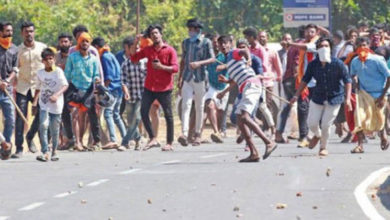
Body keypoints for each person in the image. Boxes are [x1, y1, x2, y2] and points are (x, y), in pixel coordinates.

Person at [290, 37, 352, 156]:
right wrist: (296, 95)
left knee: (325, 124)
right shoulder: (313, 65)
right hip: (318, 97)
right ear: (317, 49)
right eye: (321, 46)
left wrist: (348, 99)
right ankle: (317, 135)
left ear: (330, 48)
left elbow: (347, 81)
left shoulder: (338, 64)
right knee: (312, 123)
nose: (324, 48)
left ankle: (323, 147)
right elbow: (305, 80)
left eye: (326, 46)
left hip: (335, 98)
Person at [217, 47, 277, 162]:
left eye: (225, 43)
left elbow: (244, 51)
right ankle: (254, 153)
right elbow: (237, 79)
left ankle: (269, 142)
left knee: (244, 116)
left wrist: (248, 58)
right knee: (240, 119)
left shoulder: (232, 53)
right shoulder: (230, 63)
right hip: (246, 87)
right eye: (221, 44)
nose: (223, 46)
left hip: (251, 85)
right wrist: (226, 81)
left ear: (230, 44)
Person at [129, 24, 178, 151]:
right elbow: (133, 58)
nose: (155, 35)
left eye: (156, 33)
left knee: (168, 115)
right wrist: (135, 42)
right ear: (150, 37)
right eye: (152, 34)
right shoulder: (148, 49)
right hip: (149, 87)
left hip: (165, 88)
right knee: (143, 112)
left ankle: (169, 142)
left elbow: (175, 68)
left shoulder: (169, 50)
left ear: (161, 34)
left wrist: (162, 67)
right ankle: (153, 138)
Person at [177, 18, 215, 146]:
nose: (190, 32)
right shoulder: (186, 43)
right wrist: (180, 78)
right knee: (186, 105)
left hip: (200, 77)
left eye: (191, 30)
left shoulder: (206, 42)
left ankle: (198, 133)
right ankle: (184, 133)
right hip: (187, 77)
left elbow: (212, 59)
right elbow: (183, 60)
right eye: (189, 30)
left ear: (198, 30)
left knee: (199, 106)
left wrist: (199, 63)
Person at [349, 37, 390, 153]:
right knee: (359, 118)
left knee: (379, 119)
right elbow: (353, 74)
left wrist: (383, 96)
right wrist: (355, 81)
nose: (362, 48)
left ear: (368, 46)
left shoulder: (377, 60)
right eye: (359, 45)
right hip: (363, 93)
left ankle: (383, 136)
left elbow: (388, 76)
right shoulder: (355, 61)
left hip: (379, 94)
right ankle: (360, 145)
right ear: (356, 48)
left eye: (364, 45)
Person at [13, 21, 47, 159]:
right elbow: (14, 69)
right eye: (26, 32)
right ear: (22, 33)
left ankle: (30, 136)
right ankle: (19, 148)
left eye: (31, 31)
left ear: (34, 32)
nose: (29, 34)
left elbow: (49, 65)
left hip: (39, 88)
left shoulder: (42, 48)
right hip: (22, 87)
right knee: (20, 118)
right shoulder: (17, 50)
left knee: (42, 114)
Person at [64, 32, 102, 151]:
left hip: (88, 90)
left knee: (90, 116)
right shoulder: (73, 57)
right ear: (78, 43)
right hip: (75, 88)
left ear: (90, 43)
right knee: (74, 114)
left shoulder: (94, 59)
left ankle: (96, 141)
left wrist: (97, 80)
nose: (84, 43)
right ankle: (77, 142)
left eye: (87, 41)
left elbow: (96, 74)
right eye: (82, 41)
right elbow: (67, 74)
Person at [33, 48, 69, 162]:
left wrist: (56, 95)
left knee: (55, 128)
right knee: (43, 125)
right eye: (47, 59)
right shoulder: (40, 73)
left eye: (51, 59)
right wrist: (34, 102)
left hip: (57, 105)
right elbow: (38, 88)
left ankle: (54, 151)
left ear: (54, 59)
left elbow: (65, 85)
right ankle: (45, 151)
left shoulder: (58, 71)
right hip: (44, 103)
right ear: (43, 61)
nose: (49, 61)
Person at [92, 37, 126, 149]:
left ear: (97, 47)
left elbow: (109, 77)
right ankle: (126, 138)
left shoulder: (105, 57)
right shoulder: (110, 55)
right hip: (118, 88)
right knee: (116, 115)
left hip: (112, 89)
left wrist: (103, 89)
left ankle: (113, 139)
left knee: (108, 113)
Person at [203, 35, 231, 143]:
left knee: (220, 111)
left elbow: (233, 63)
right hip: (211, 85)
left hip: (224, 86)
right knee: (210, 106)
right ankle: (216, 131)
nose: (220, 45)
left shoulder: (227, 55)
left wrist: (224, 66)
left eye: (224, 43)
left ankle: (220, 131)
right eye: (219, 43)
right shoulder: (208, 55)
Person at [120, 36, 147, 151]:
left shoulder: (144, 62)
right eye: (133, 48)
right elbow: (124, 81)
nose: (135, 50)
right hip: (130, 96)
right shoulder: (125, 64)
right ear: (129, 49)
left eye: (137, 48)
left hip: (142, 95)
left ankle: (125, 142)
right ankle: (139, 139)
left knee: (137, 119)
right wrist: (126, 92)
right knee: (131, 120)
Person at [0, 21, 17, 160]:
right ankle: (3, 143)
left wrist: (6, 81)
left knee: (11, 119)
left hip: (7, 89)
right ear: (1, 32)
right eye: (7, 31)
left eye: (11, 31)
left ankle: (5, 147)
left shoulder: (14, 48)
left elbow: (15, 69)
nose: (10, 33)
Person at [55, 33, 75, 150]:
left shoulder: (74, 56)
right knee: (63, 115)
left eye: (66, 41)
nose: (63, 44)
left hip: (72, 87)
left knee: (75, 114)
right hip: (59, 89)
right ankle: (68, 140)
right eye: (61, 41)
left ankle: (77, 140)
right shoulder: (55, 56)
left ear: (70, 43)